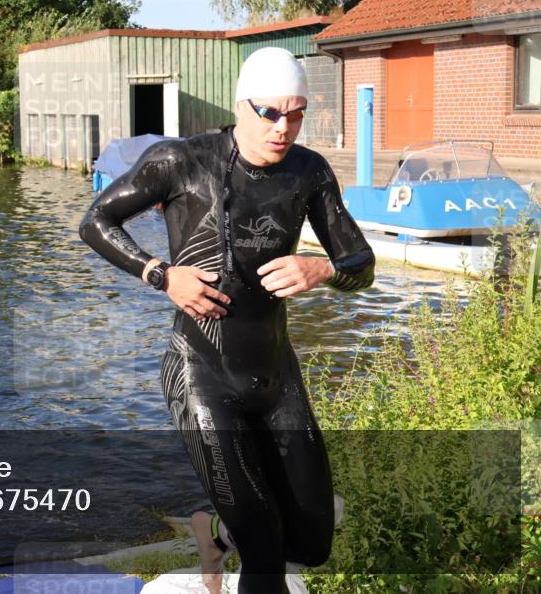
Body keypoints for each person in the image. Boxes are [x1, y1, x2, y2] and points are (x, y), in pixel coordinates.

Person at [79, 47, 375, 594]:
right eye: (269, 113)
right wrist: (160, 275)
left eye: (297, 113)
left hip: (275, 375)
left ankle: (214, 531)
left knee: (313, 540)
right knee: (263, 547)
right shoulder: (182, 162)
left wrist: (322, 269)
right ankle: (238, 538)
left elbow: (362, 266)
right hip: (202, 375)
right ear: (240, 105)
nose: (283, 128)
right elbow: (96, 220)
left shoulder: (308, 172)